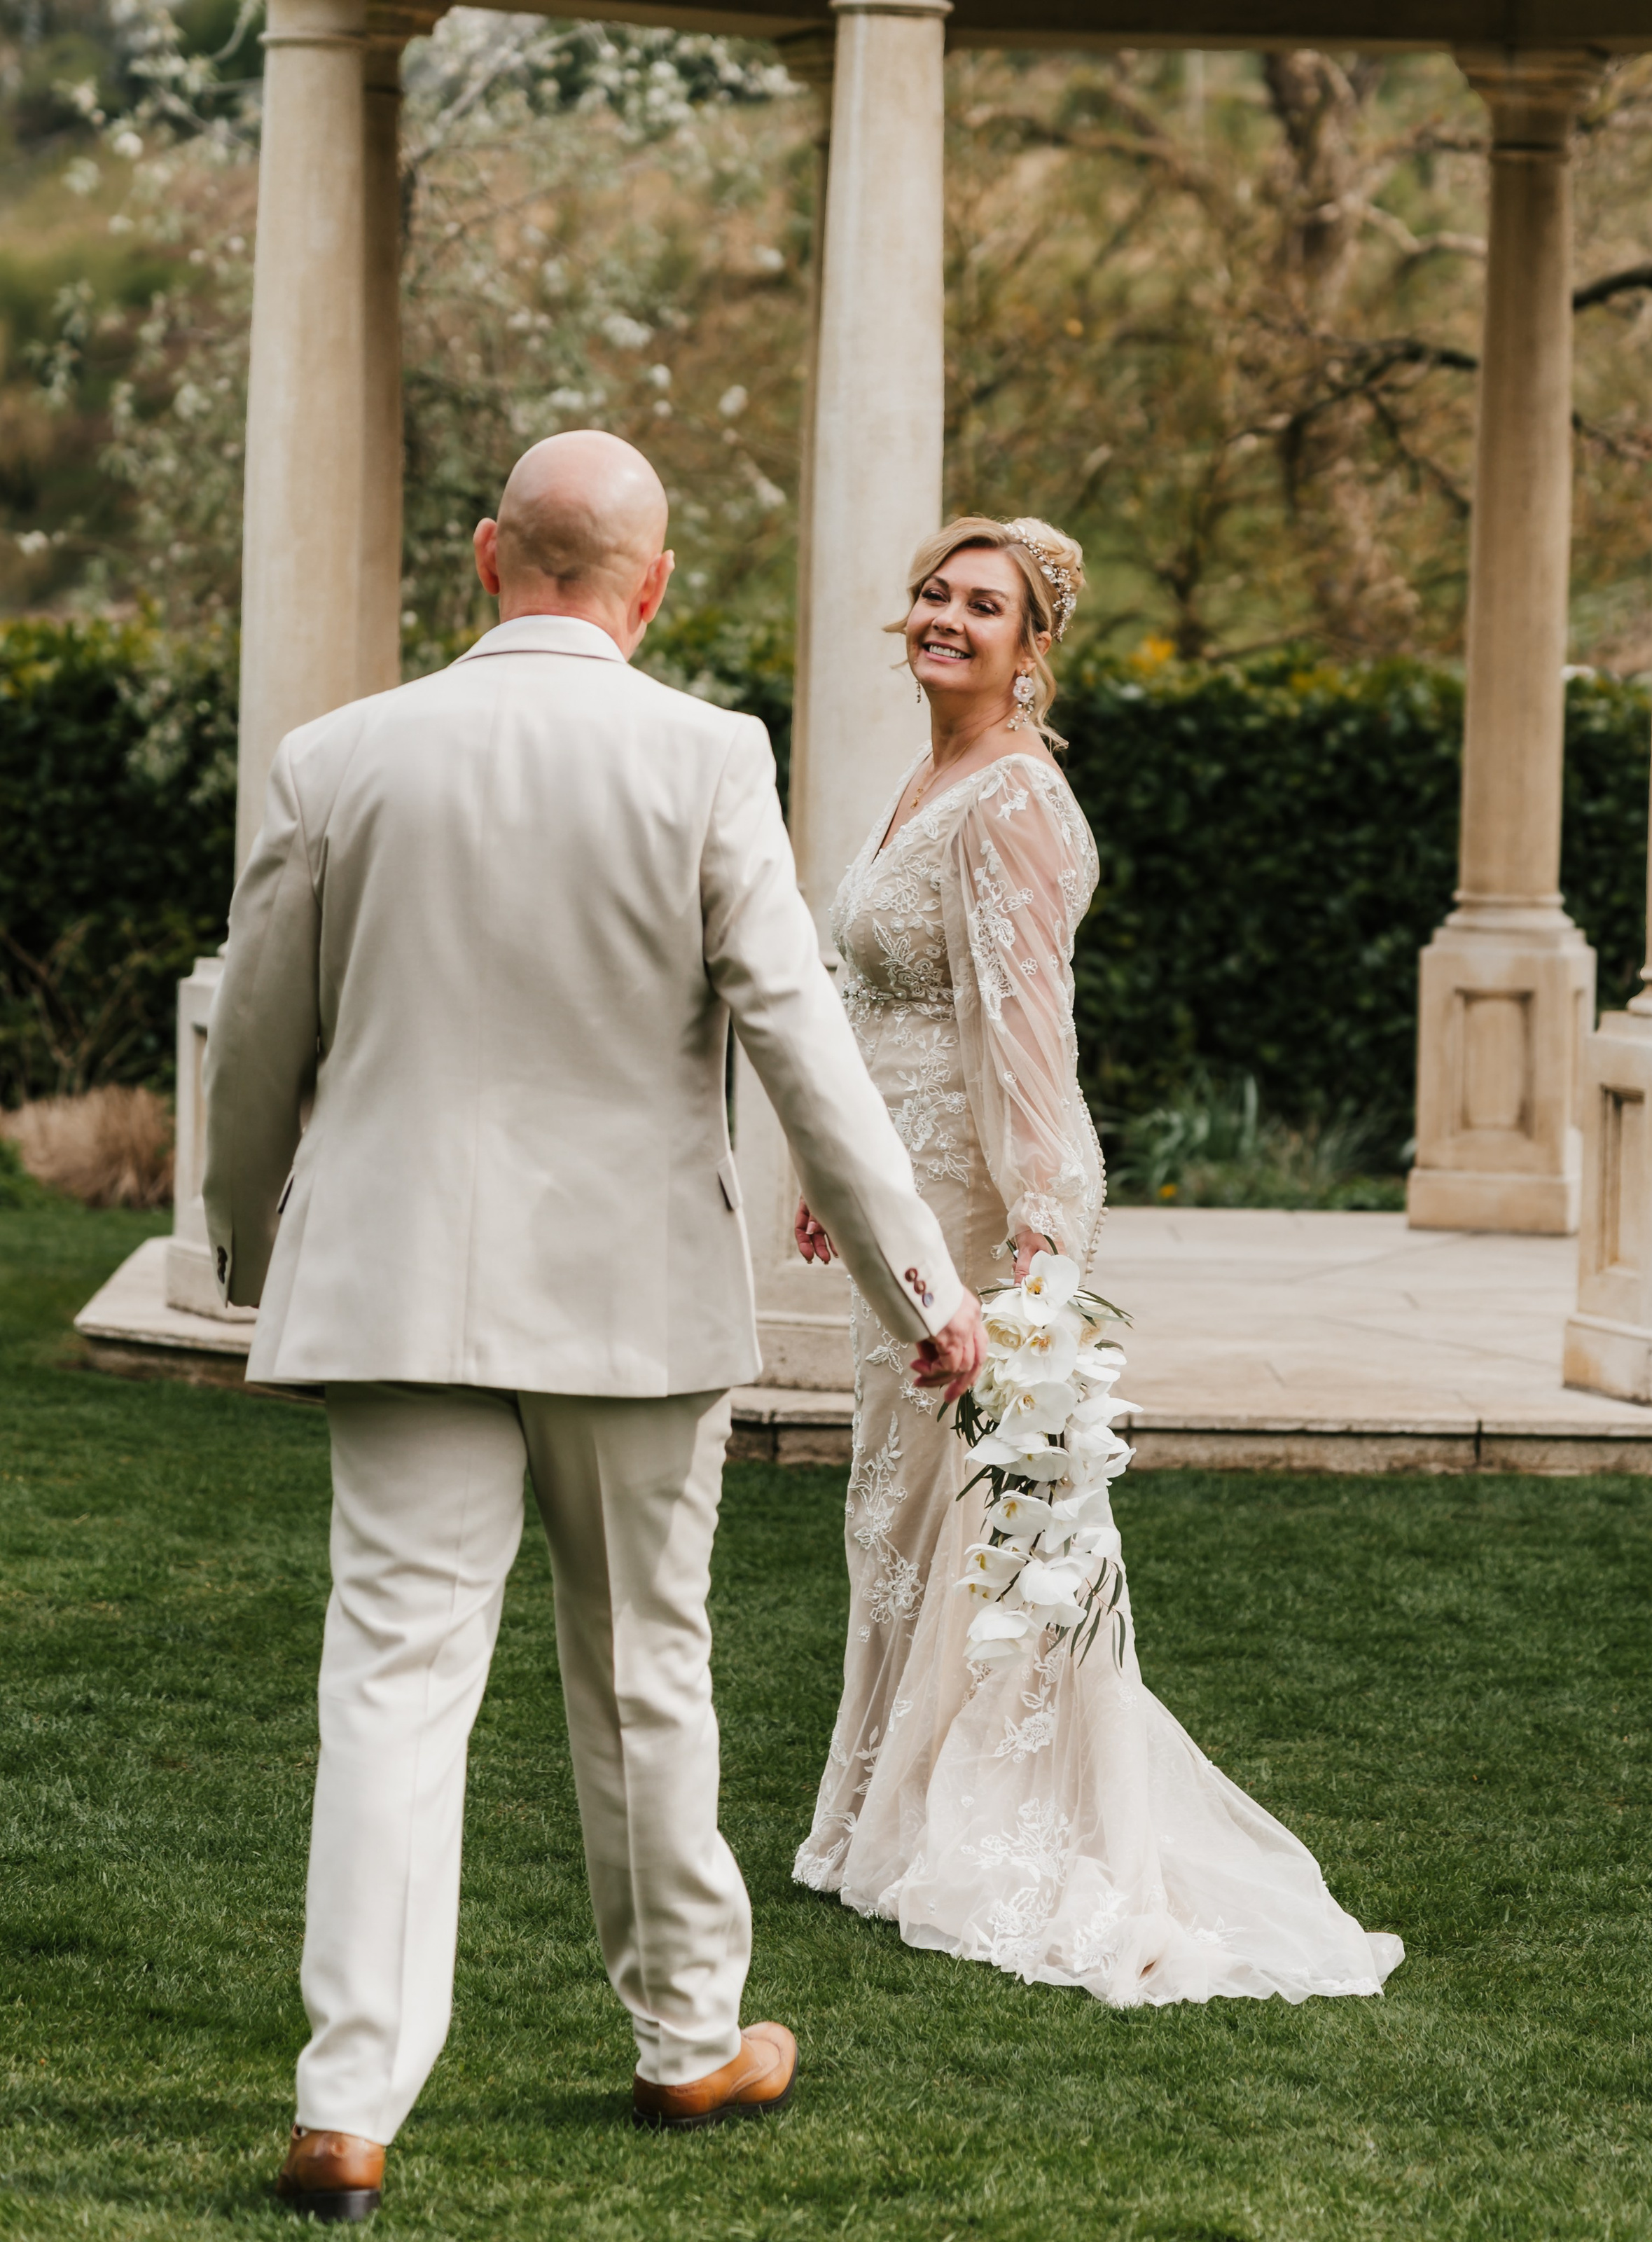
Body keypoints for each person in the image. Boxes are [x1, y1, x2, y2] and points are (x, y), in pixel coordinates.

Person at [202, 431, 985, 2220]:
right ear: (655, 583)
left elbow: (258, 1033)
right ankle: (689, 2037)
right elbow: (799, 1041)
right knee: (643, 1664)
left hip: (396, 1284)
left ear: (489, 556)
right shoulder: (706, 754)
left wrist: (246, 1235)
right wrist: (919, 1284)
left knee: (392, 1680)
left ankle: (348, 2103)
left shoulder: (338, 754)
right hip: (633, 1300)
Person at [791, 515, 1403, 2009]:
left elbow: (1024, 1035)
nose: (944, 616)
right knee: (901, 1516)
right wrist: (837, 1172)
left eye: (981, 604)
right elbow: (882, 1005)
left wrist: (1038, 1252)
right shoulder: (924, 776)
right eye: (932, 592)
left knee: (995, 1530)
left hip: (978, 1217)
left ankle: (1003, 1829)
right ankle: (882, 1810)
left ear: (1030, 646)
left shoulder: (1010, 796)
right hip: (901, 1198)